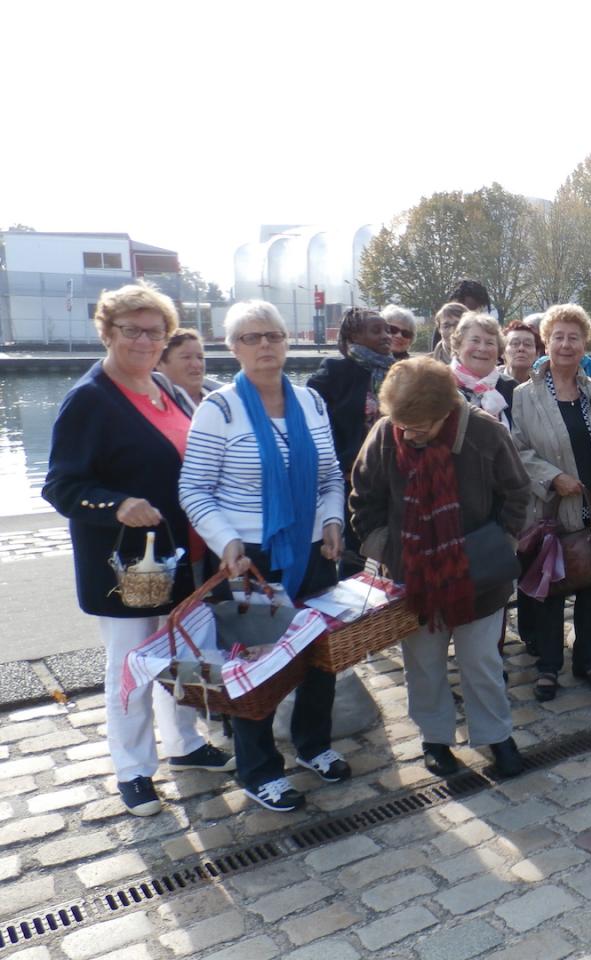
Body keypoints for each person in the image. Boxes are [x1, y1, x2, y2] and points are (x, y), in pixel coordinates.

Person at [43, 283, 233, 817]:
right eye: (133, 330)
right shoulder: (89, 400)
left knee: (183, 651)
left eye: (155, 331)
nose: (145, 340)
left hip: (182, 553)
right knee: (129, 664)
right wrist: (116, 503)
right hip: (125, 565)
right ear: (108, 332)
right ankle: (132, 768)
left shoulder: (166, 389)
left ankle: (186, 743)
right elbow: (60, 486)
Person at [180, 300, 349, 812]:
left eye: (272, 335)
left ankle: (313, 744)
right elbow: (195, 489)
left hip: (313, 549)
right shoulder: (221, 409)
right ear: (232, 348)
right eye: (251, 338)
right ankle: (258, 771)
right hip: (249, 557)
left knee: (321, 658)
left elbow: (332, 477)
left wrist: (334, 521)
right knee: (256, 666)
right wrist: (225, 541)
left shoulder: (311, 403)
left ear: (286, 341)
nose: (265, 346)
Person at [350, 358, 531, 778]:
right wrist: (391, 552)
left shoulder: (484, 432)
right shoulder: (385, 434)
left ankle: (496, 735)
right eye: (404, 427)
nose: (410, 436)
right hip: (414, 579)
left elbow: (518, 494)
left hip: (479, 578)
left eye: (420, 428)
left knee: (481, 662)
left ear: (446, 412)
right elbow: (364, 500)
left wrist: (498, 546)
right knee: (424, 663)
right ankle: (435, 738)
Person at [510, 304, 591, 702]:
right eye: (558, 337)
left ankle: (586, 661)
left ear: (586, 344)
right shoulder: (524, 395)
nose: (566, 345)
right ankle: (549, 666)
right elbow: (518, 450)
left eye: (574, 337)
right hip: (552, 507)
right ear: (545, 343)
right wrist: (553, 478)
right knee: (550, 588)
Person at [307, 308, 395, 573]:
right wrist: (343, 459)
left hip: (392, 479)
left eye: (387, 329)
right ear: (354, 336)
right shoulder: (335, 372)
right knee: (352, 558)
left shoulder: (396, 371)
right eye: (376, 330)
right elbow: (316, 422)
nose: (386, 336)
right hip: (350, 480)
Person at [451, 311, 515, 429]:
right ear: (459, 345)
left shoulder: (510, 388)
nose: (482, 348)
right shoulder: (441, 384)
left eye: (490, 343)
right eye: (475, 340)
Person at [156, 328, 220, 410]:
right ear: (159, 364)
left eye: (200, 357)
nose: (196, 364)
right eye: (186, 357)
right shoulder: (156, 404)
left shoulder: (225, 397)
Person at [501, 319, 543, 384]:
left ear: (537, 353)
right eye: (515, 343)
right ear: (503, 352)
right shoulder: (490, 383)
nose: (521, 348)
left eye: (527, 344)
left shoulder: (543, 386)